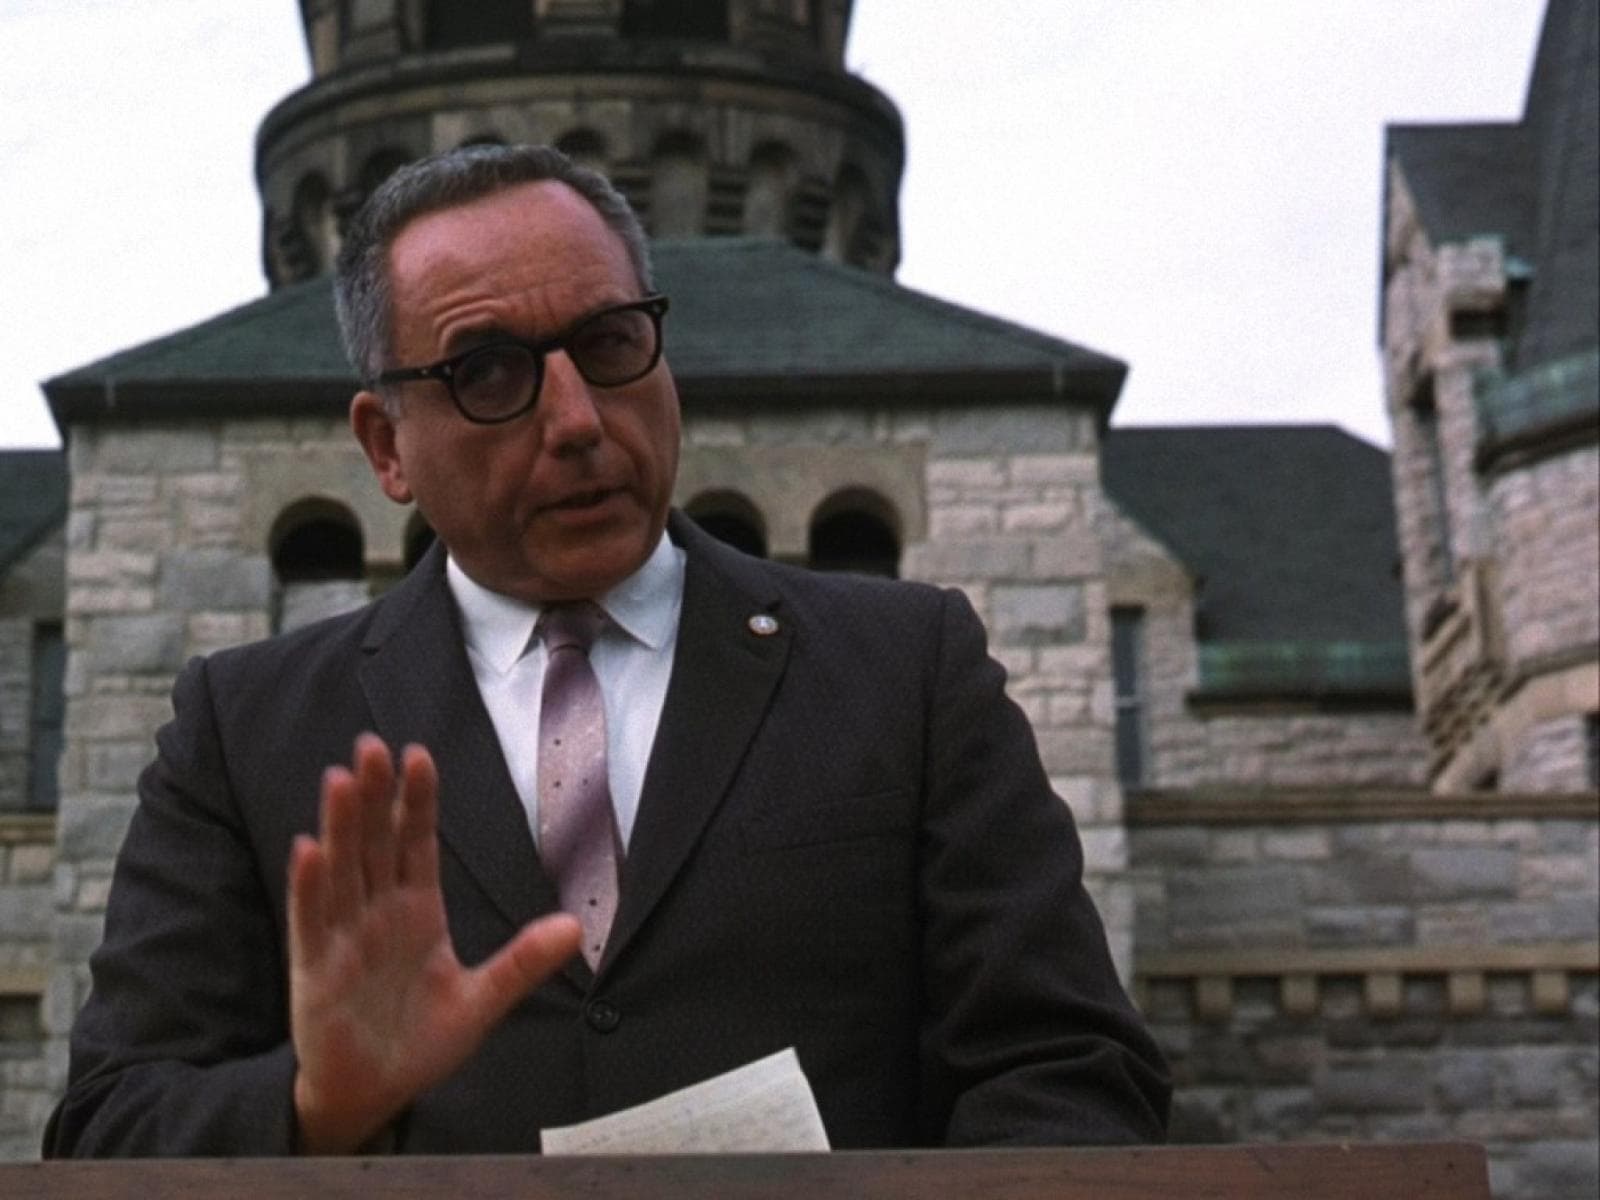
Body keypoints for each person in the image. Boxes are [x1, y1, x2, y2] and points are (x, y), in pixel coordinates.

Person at [46, 145, 1170, 1156]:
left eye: (611, 342)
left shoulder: (904, 668)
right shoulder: (244, 731)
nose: (579, 418)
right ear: (387, 446)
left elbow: (1063, 1070)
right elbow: (108, 1129)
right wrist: (314, 1108)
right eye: (490, 373)